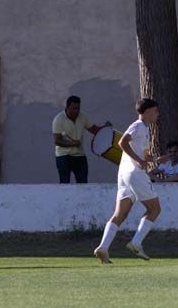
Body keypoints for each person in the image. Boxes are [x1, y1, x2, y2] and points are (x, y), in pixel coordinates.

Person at [95, 98, 162, 263]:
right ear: (147, 112)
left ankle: (103, 247)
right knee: (154, 209)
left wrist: (155, 160)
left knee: (120, 214)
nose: (157, 114)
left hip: (125, 175)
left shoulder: (144, 129)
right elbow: (122, 141)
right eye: (155, 111)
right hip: (135, 173)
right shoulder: (138, 125)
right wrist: (139, 161)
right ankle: (136, 243)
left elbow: (143, 155)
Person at [52, 95, 107, 184]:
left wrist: (104, 129)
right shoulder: (58, 120)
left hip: (79, 155)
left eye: (78, 108)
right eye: (74, 108)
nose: (76, 111)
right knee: (64, 184)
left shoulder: (83, 117)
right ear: (67, 107)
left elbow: (93, 129)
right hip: (63, 156)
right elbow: (57, 140)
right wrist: (72, 144)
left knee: (83, 184)